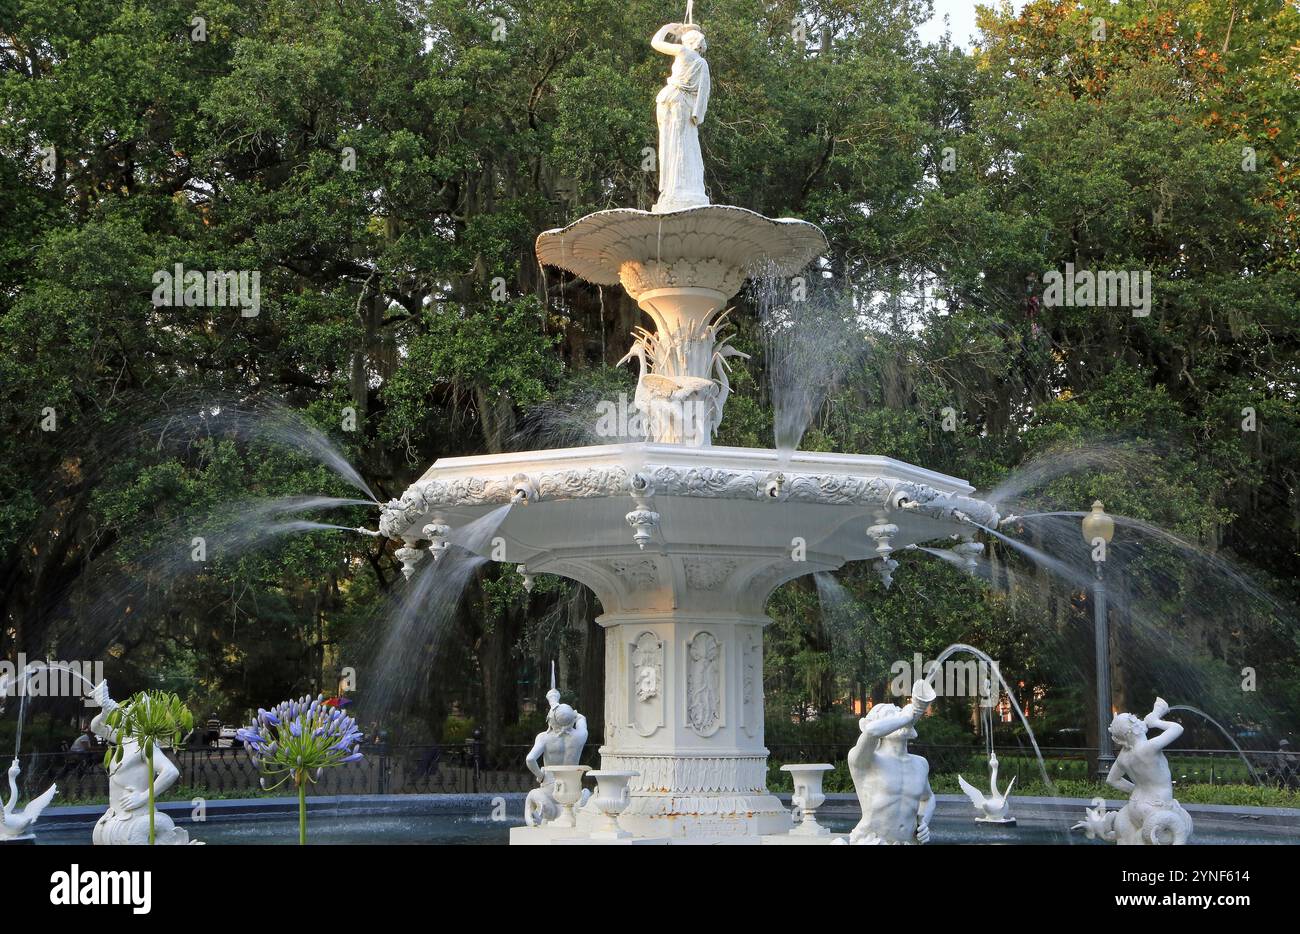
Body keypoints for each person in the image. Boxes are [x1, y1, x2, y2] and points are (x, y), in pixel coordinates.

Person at [1074, 697, 1194, 845]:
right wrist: (1156, 721)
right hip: (1157, 806)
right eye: (1134, 720)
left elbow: (1112, 780)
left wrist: (1137, 789)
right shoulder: (1148, 748)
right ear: (1133, 729)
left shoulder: (1124, 757)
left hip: (1135, 806)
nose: (1138, 720)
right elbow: (1177, 728)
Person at [842, 680, 937, 844]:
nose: (899, 716)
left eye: (899, 712)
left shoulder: (920, 764)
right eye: (890, 715)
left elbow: (928, 798)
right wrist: (905, 716)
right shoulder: (866, 760)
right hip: (873, 841)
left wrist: (924, 823)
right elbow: (871, 732)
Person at [650, 21, 711, 213]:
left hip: (669, 99)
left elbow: (656, 42)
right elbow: (703, 94)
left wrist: (668, 27)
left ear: (689, 41)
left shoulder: (683, 52)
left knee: (670, 144)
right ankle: (678, 187)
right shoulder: (702, 63)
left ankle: (673, 188)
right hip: (683, 105)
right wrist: (697, 116)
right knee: (684, 144)